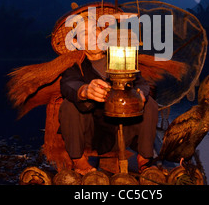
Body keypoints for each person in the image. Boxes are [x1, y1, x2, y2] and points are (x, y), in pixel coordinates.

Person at [58, 18, 159, 175]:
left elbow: (142, 83)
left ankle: (144, 160)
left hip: (124, 130)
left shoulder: (121, 56)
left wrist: (140, 94)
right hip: (92, 135)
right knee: (68, 105)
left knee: (149, 103)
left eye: (96, 30)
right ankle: (79, 161)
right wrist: (85, 91)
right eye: (85, 33)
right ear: (76, 42)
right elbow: (68, 84)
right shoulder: (74, 67)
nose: (93, 37)